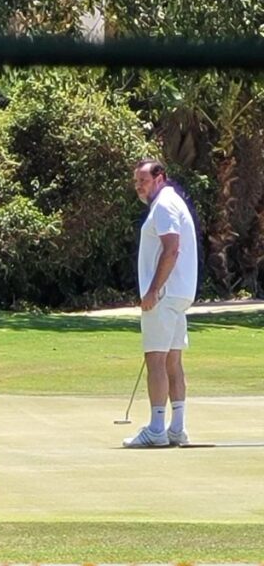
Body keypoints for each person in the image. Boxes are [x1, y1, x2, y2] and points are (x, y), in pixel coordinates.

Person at [124, 158, 198, 448]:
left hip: (165, 294)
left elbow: (172, 248)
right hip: (178, 293)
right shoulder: (171, 202)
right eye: (136, 182)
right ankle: (177, 428)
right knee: (172, 360)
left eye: (143, 180)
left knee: (155, 359)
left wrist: (153, 290)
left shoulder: (165, 205)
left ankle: (157, 428)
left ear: (159, 178)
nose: (139, 187)